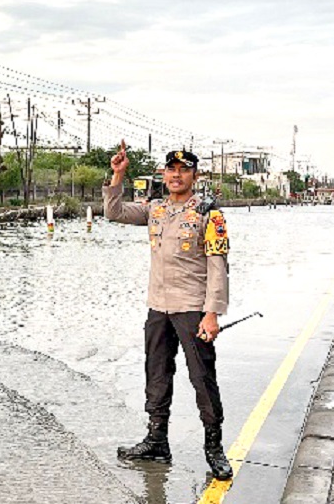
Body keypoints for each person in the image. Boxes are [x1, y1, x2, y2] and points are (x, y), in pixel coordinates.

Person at [103, 141, 233, 481]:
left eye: (183, 170)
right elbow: (114, 212)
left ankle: (214, 448)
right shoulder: (155, 209)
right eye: (171, 170)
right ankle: (157, 440)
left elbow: (217, 266)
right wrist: (118, 175)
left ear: (195, 176)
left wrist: (212, 314)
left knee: (202, 378)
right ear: (164, 174)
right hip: (158, 307)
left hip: (192, 308)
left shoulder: (208, 214)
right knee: (157, 373)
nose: (176, 175)